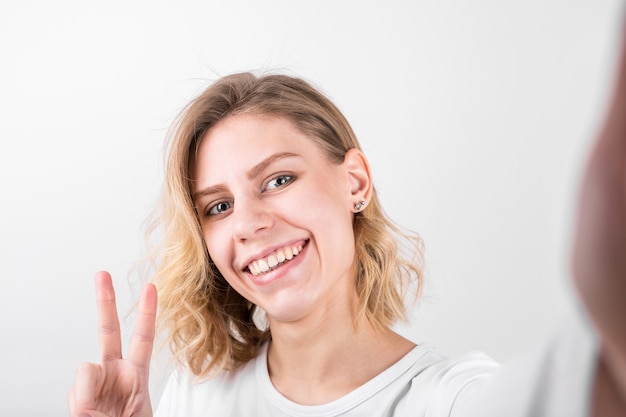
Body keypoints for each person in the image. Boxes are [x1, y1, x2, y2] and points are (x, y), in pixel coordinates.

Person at [68, 25, 626, 416]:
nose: (249, 222)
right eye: (218, 206)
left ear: (354, 182)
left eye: (279, 180)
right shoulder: (198, 397)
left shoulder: (452, 398)